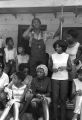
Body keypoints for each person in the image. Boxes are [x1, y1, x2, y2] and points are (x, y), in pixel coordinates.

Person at [48, 40, 72, 120]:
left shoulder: (67, 56)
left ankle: (63, 117)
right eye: (56, 47)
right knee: (54, 99)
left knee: (63, 99)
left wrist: (65, 67)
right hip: (55, 78)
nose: (57, 48)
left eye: (59, 46)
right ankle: (55, 118)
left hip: (64, 78)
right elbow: (49, 67)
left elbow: (70, 68)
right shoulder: (52, 56)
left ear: (63, 47)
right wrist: (52, 69)